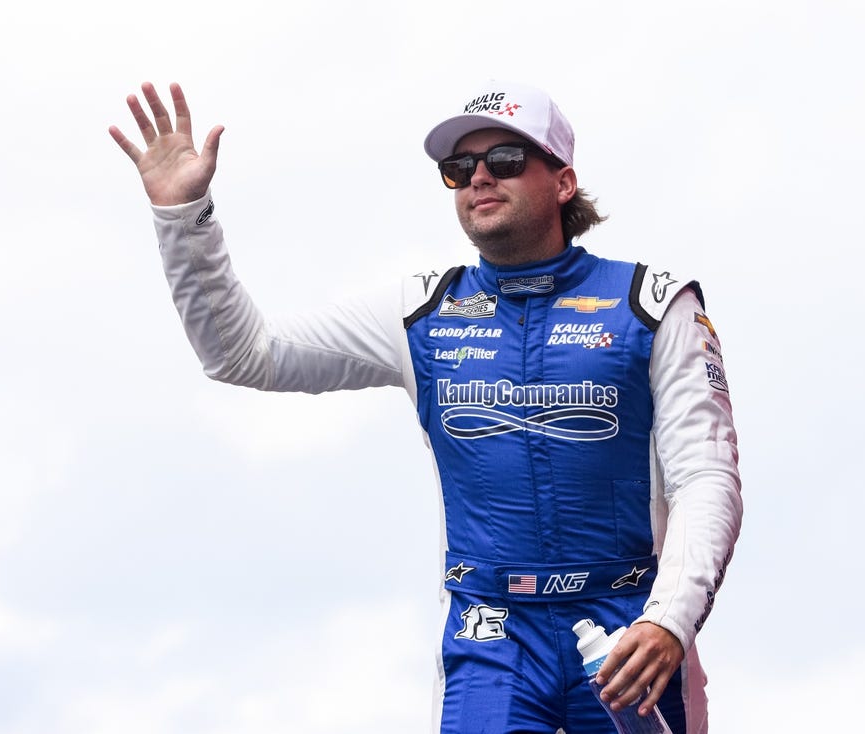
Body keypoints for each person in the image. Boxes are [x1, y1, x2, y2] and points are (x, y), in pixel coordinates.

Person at [110, 80, 742, 734]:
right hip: (492, 633)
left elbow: (707, 476)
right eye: (458, 168)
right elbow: (244, 354)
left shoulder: (654, 304)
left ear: (563, 182)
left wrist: (669, 617)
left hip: (626, 624)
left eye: (503, 161)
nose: (477, 179)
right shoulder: (422, 311)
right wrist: (185, 219)